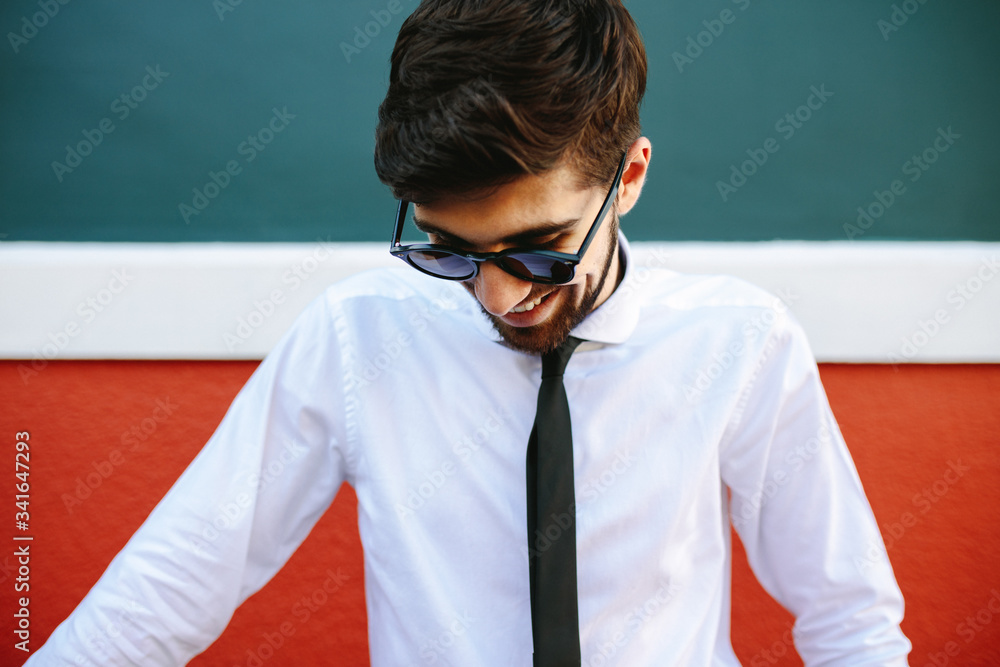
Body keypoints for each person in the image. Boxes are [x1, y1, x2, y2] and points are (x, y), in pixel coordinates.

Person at [28, 1, 911, 665]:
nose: (494, 294)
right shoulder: (354, 336)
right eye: (450, 251)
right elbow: (164, 594)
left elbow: (852, 622)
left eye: (538, 252)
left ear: (630, 176)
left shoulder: (740, 340)